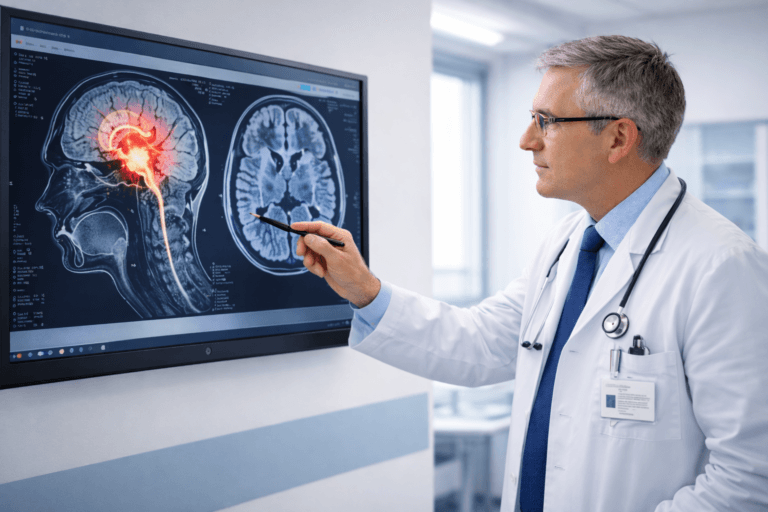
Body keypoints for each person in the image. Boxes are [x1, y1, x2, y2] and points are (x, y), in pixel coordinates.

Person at [293, 35, 768, 512]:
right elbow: (479, 344)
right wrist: (366, 291)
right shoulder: (564, 246)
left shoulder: (720, 266)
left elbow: (749, 478)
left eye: (548, 121)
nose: (527, 140)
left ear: (618, 138)